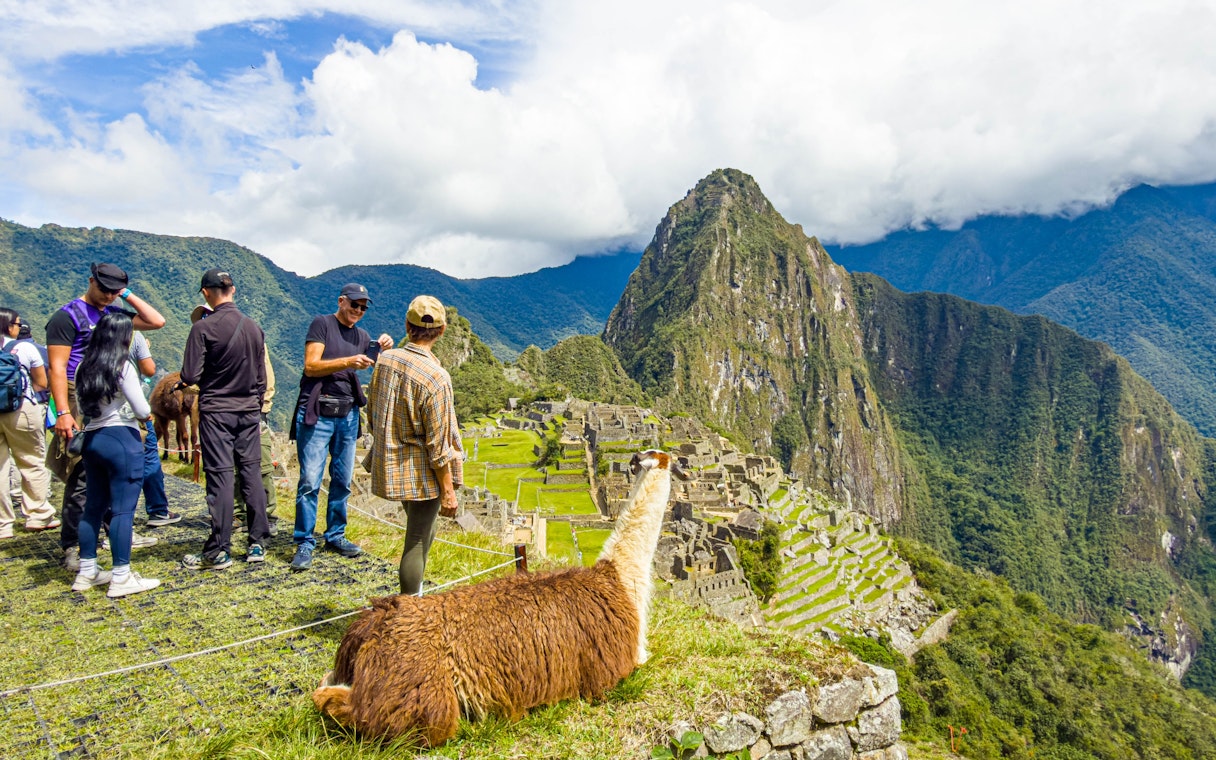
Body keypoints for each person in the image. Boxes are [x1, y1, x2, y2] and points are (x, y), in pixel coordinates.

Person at [46, 262, 165, 572]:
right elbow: (56, 368)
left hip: (114, 392)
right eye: (105, 289)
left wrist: (125, 293)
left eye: (115, 291)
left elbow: (157, 321)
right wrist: (62, 412)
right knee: (81, 474)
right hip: (79, 393)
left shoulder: (114, 314)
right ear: (90, 282)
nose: (109, 296)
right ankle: (73, 544)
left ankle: (110, 532)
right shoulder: (67, 316)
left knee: (112, 471)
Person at [289, 283, 393, 572]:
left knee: (343, 480)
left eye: (363, 308)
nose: (358, 311)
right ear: (341, 301)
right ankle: (304, 542)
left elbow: (374, 367)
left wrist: (383, 348)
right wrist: (348, 360)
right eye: (354, 305)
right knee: (310, 480)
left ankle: (335, 535)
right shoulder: (322, 324)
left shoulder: (362, 335)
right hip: (318, 411)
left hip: (347, 413)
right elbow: (311, 366)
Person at [366, 295, 464, 595]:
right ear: (442, 331)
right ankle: (410, 607)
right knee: (418, 539)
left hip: (392, 462)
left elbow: (372, 410)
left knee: (424, 529)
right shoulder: (436, 378)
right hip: (422, 473)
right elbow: (438, 444)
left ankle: (414, 593)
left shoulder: (386, 359)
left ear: (407, 326)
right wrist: (448, 491)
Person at [179, 269, 271, 569]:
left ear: (206, 292)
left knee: (220, 477)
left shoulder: (202, 330)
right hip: (248, 411)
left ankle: (218, 549)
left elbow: (190, 375)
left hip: (217, 411)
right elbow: (260, 379)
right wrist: (252, 405)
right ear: (232, 290)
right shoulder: (254, 327)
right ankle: (258, 543)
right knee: (251, 475)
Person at [71, 311, 160, 597]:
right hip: (122, 439)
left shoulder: (83, 366)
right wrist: (146, 417)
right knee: (123, 510)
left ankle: (87, 572)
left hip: (93, 439)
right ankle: (121, 576)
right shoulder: (122, 366)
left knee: (93, 506)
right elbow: (142, 409)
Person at [0, 308, 59, 539]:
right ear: (9, 326)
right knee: (32, 461)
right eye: (16, 323)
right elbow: (41, 382)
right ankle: (37, 514)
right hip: (21, 411)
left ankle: (3, 524)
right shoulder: (24, 347)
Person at [127, 332, 181, 527]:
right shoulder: (125, 365)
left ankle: (109, 517)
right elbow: (148, 372)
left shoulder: (86, 363)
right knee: (149, 458)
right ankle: (157, 510)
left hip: (100, 425)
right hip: (131, 419)